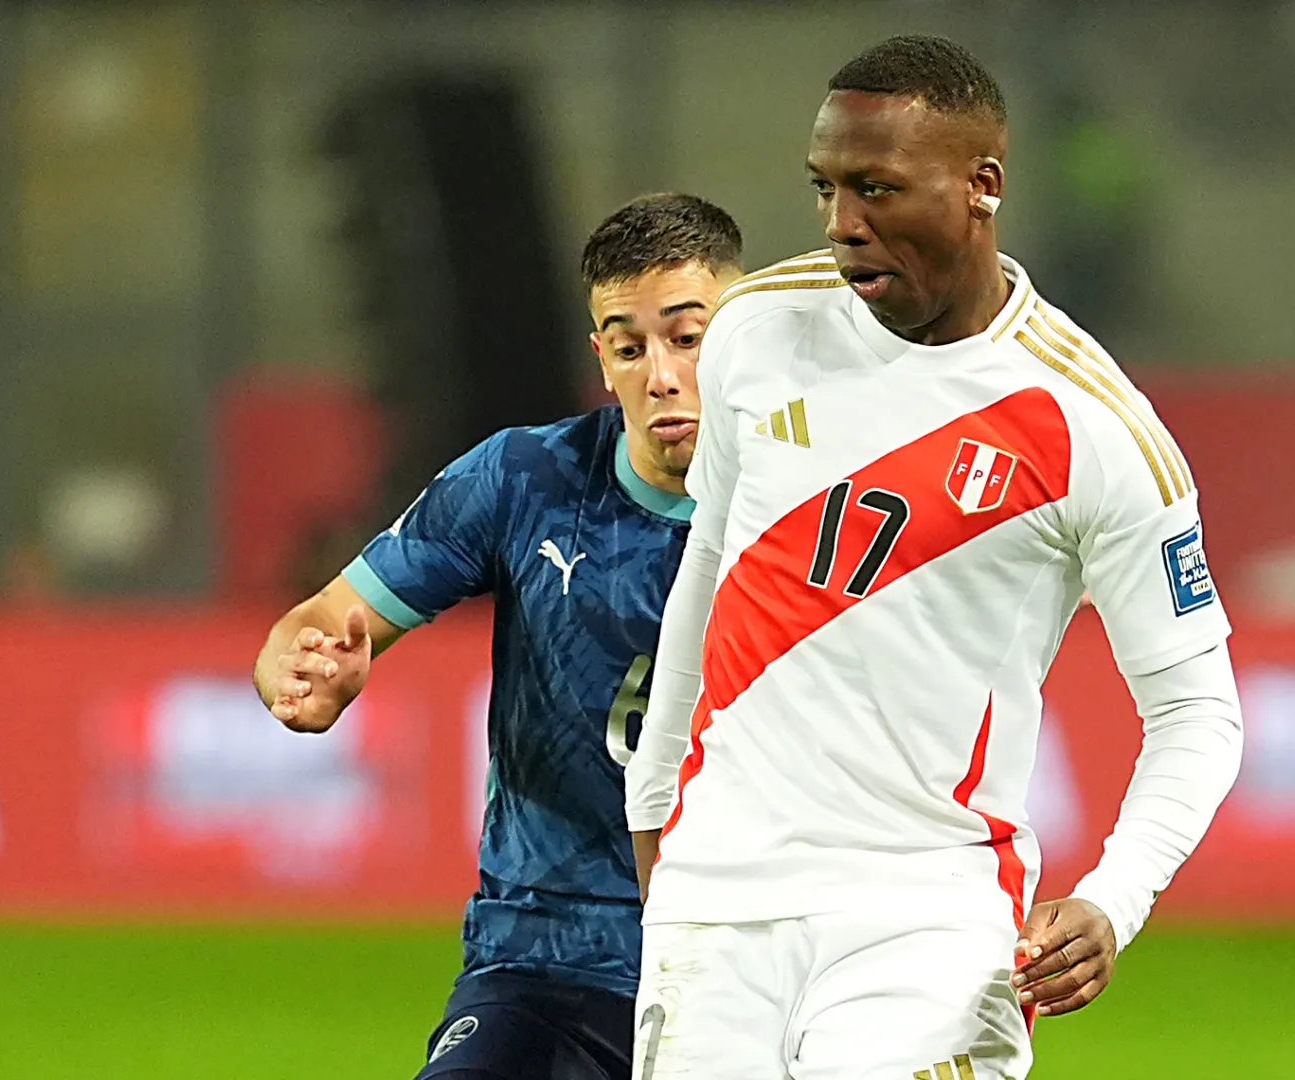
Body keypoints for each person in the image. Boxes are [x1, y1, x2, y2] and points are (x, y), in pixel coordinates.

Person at [624, 36, 1243, 1080]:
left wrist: (1114, 897)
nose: (841, 223)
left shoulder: (1089, 424)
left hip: (928, 917)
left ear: (981, 186)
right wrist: (653, 801)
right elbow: (712, 567)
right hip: (716, 900)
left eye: (876, 189)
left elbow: (1198, 712)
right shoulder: (754, 330)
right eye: (824, 188)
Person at [252, 193, 742, 1080]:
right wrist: (306, 663)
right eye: (630, 348)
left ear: (745, 336)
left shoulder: (820, 505)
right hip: (548, 961)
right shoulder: (527, 479)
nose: (661, 375)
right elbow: (323, 618)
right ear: (601, 358)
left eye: (688, 338)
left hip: (751, 963)